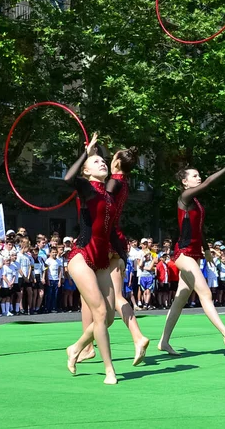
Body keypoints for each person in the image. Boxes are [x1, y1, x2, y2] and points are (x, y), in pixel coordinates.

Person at [158, 148, 225, 356]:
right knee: (205, 293)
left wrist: (206, 250)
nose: (199, 178)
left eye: (199, 175)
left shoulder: (196, 202)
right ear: (185, 182)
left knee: (180, 299)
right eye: (195, 176)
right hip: (183, 254)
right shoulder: (185, 197)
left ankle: (163, 341)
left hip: (194, 254)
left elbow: (199, 228)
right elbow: (209, 183)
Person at [77, 146, 150, 366]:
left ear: (116, 161)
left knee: (113, 298)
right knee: (104, 298)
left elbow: (97, 199)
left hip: (104, 239)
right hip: (115, 238)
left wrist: (88, 160)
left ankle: (136, 336)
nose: (105, 161)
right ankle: (88, 347)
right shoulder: (123, 182)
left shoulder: (112, 183)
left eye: (109, 158)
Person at [63, 133, 118, 385]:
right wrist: (86, 152)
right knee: (99, 311)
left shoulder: (109, 194)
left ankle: (75, 348)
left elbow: (110, 229)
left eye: (102, 161)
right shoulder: (86, 188)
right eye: (96, 162)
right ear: (86, 170)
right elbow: (67, 178)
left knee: (108, 318)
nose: (102, 163)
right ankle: (110, 370)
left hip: (102, 259)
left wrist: (122, 254)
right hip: (82, 256)